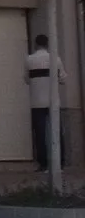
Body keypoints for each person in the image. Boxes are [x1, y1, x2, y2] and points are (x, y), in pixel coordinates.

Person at [27, 33, 65, 171]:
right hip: (53, 101)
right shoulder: (55, 59)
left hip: (36, 102)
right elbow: (63, 79)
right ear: (48, 45)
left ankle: (43, 164)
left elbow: (26, 79)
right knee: (56, 131)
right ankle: (59, 163)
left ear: (36, 44)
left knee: (40, 133)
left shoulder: (29, 60)